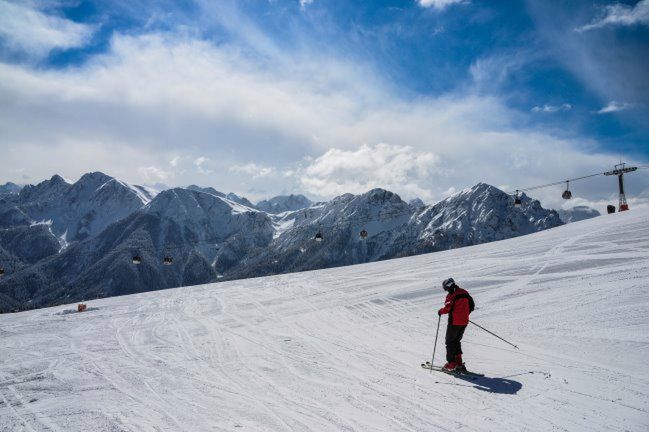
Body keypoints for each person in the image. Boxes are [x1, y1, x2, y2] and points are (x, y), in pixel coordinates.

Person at [438, 278, 475, 372]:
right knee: (456, 341)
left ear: (448, 286)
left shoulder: (451, 295)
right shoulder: (464, 292)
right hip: (464, 321)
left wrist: (440, 311)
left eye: (445, 288)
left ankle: (451, 364)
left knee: (449, 342)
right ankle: (459, 363)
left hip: (454, 322)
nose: (446, 290)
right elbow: (472, 305)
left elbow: (447, 308)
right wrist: (464, 314)